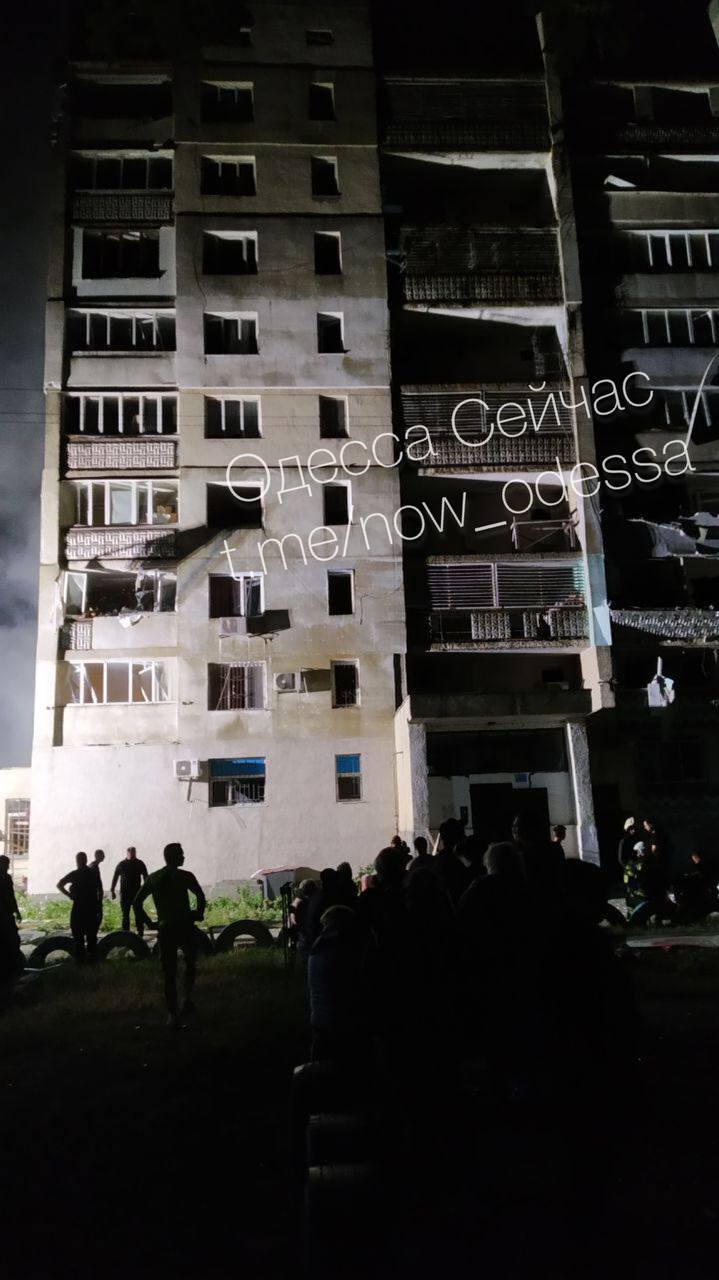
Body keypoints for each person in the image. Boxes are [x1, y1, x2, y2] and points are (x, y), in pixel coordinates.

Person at [134, 843, 206, 1028]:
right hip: (185, 927)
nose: (184, 856)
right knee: (190, 963)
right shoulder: (185, 876)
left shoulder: (154, 878)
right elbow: (200, 896)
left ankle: (173, 1015)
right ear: (174, 856)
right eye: (181, 854)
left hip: (166, 929)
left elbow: (136, 902)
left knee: (169, 973)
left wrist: (150, 923)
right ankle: (186, 1000)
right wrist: (198, 913)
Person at [57, 852, 102, 963]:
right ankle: (92, 960)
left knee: (78, 935)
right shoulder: (93, 873)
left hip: (79, 908)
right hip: (92, 907)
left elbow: (59, 884)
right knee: (91, 936)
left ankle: (81, 960)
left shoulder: (75, 874)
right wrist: (99, 905)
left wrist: (69, 895)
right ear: (86, 860)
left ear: (77, 861)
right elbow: (100, 890)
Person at [111, 846, 149, 935]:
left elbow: (146, 878)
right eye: (132, 852)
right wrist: (112, 890)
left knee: (138, 914)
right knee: (125, 915)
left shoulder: (140, 863)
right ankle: (126, 934)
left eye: (134, 852)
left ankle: (140, 933)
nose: (133, 854)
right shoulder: (121, 864)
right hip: (125, 894)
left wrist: (145, 890)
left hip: (137, 894)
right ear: (127, 853)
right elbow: (115, 877)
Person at [0, 854, 23, 984]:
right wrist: (17, 912)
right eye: (7, 864)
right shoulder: (5, 878)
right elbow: (10, 896)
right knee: (13, 942)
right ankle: (12, 971)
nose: (8, 867)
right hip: (5, 916)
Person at [89, 849, 106, 930]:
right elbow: (98, 884)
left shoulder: (92, 866)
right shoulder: (94, 867)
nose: (104, 856)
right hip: (94, 897)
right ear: (97, 856)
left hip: (93, 896)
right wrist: (99, 899)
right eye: (102, 855)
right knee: (98, 916)